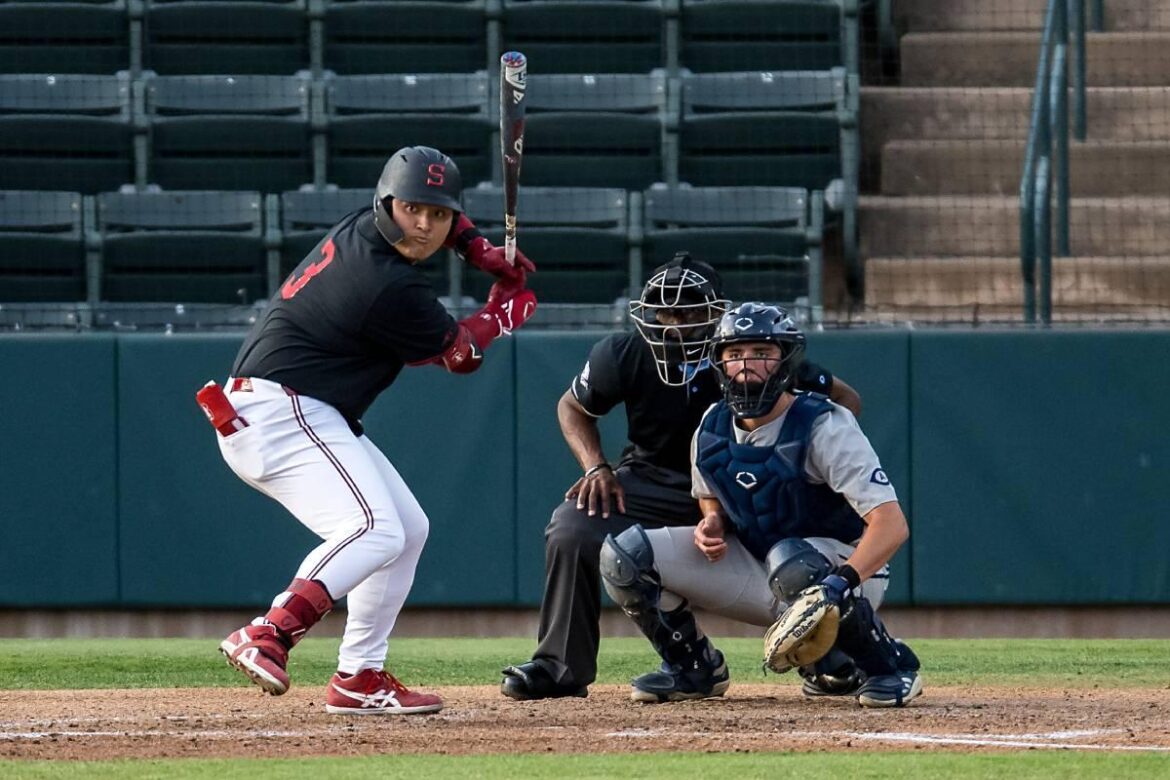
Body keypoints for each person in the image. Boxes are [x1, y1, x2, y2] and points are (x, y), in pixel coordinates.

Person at [203, 146, 537, 715]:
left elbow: (441, 224)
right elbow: (459, 356)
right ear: (386, 205)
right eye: (412, 209)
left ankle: (358, 674)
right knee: (374, 528)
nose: (424, 223)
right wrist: (501, 313)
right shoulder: (386, 283)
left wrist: (476, 248)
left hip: (297, 409)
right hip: (282, 412)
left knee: (408, 529)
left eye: (438, 214)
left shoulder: (363, 225)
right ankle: (270, 632)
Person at [500, 257, 862, 700]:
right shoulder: (624, 353)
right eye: (667, 313)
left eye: (689, 311)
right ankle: (566, 667)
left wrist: (790, 462)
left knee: (788, 541)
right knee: (572, 526)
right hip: (653, 479)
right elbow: (572, 406)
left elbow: (845, 399)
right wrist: (596, 466)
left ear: (717, 313)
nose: (675, 324)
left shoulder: (747, 355)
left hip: (737, 485)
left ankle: (828, 655)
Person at [599, 301, 922, 708]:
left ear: (785, 361)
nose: (747, 364)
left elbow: (891, 525)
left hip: (846, 569)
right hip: (761, 563)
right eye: (735, 353)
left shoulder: (825, 424)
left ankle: (887, 666)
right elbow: (709, 495)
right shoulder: (711, 425)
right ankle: (694, 669)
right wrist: (712, 522)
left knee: (792, 562)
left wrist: (838, 584)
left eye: (762, 352)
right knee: (625, 556)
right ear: (719, 363)